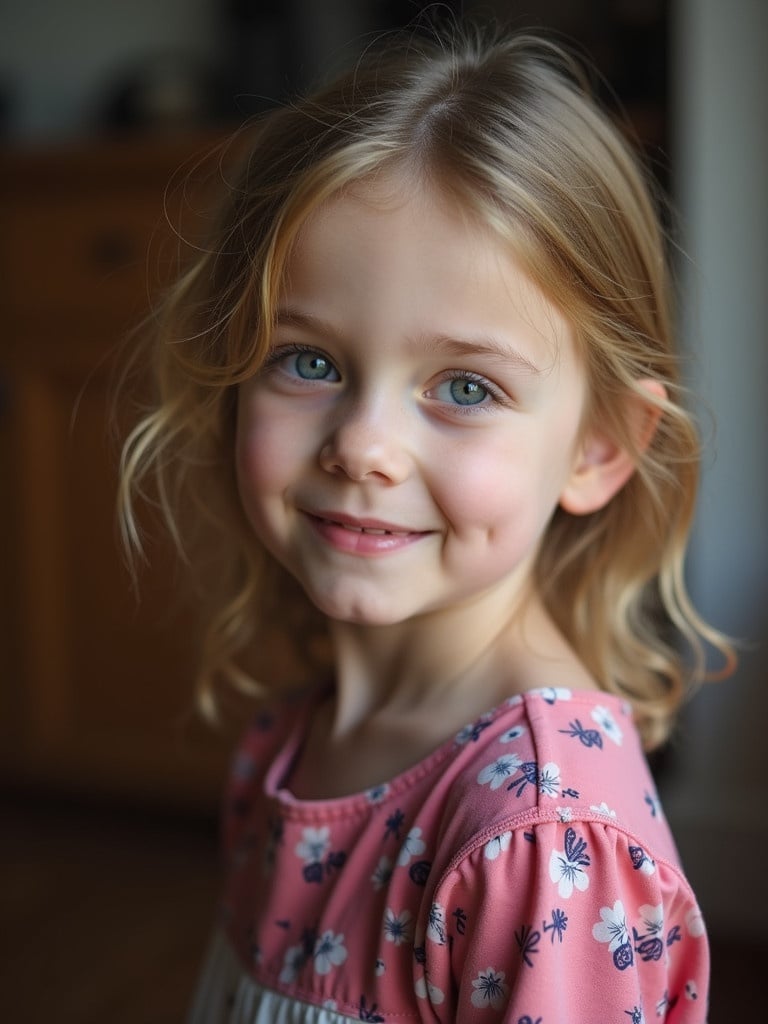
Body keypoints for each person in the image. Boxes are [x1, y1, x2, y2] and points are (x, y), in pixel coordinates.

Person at [119, 24, 734, 1023]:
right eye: (308, 361)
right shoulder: (290, 731)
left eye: (464, 385)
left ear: (599, 445)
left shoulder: (540, 844)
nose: (364, 445)